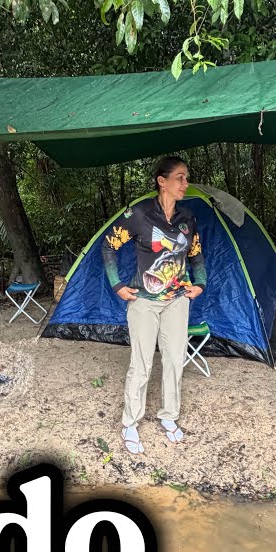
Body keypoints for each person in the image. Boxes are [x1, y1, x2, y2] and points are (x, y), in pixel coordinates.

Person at [101, 156, 206, 454]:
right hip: (143, 302)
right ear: (162, 181)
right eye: (181, 178)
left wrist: (200, 284)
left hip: (176, 301)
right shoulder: (139, 214)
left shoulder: (188, 217)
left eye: (186, 178)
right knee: (142, 364)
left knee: (174, 360)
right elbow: (108, 244)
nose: (186, 184)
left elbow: (196, 253)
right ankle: (130, 423)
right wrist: (117, 285)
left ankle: (169, 417)